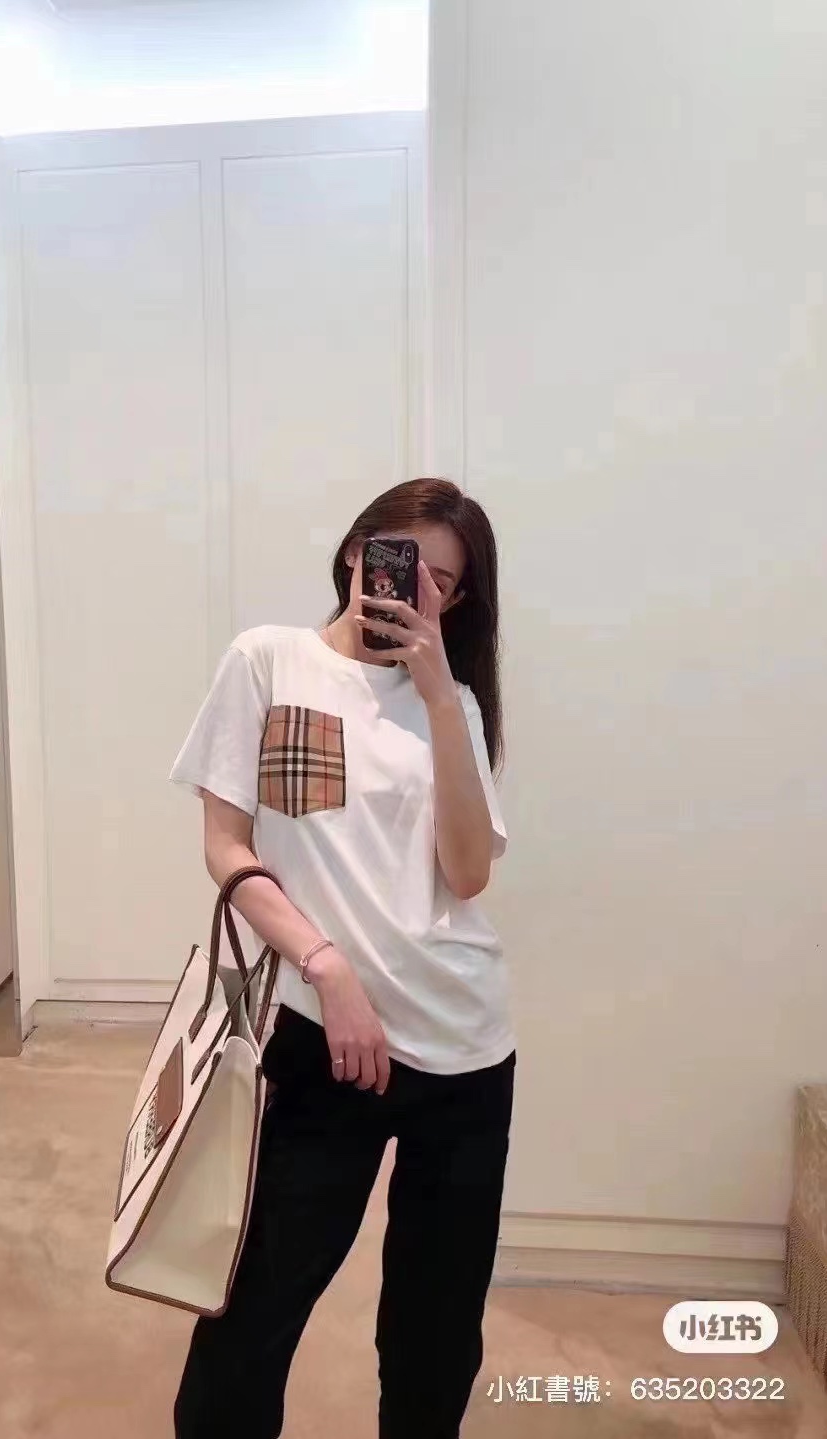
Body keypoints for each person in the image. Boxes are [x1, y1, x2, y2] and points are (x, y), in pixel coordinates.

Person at [168, 477, 516, 1439]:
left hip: (466, 1053)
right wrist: (324, 964)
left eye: (443, 582)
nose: (414, 590)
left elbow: (467, 873)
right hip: (325, 1038)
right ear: (359, 550)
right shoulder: (267, 661)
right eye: (403, 561)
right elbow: (226, 846)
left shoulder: (454, 705)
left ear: (459, 600)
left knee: (435, 1336)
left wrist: (439, 693)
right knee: (251, 1317)